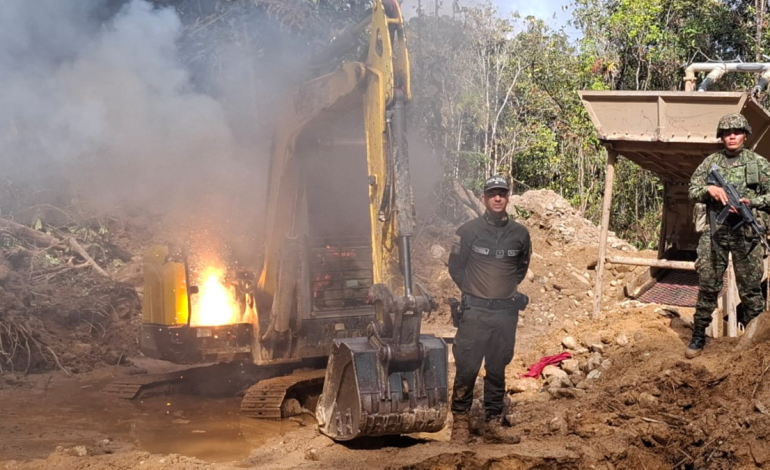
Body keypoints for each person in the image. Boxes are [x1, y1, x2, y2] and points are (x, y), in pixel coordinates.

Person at [447, 175, 531, 444]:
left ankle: (493, 423)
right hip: (475, 314)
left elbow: (520, 270)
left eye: (502, 194)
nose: (497, 198)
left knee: (497, 368)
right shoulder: (467, 231)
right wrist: (476, 292)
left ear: (508, 197)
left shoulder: (520, 234)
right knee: (467, 367)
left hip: (505, 314)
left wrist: (501, 293)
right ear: (483, 198)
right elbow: (455, 267)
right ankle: (460, 423)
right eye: (492, 193)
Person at [688, 113, 770, 359]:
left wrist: (751, 202)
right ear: (721, 137)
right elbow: (692, 190)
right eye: (726, 133)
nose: (731, 136)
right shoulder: (711, 163)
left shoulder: (759, 163)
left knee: (751, 289)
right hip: (716, 233)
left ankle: (754, 339)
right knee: (708, 286)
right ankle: (699, 334)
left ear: (745, 135)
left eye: (736, 132)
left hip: (747, 234)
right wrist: (709, 189)